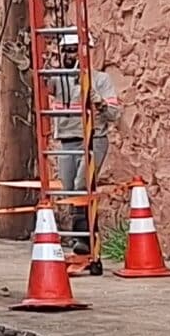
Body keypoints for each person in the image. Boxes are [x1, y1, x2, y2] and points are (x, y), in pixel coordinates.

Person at [46, 31, 120, 273]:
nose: (69, 55)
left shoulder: (100, 79)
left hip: (93, 139)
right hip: (67, 141)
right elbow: (41, 85)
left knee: (81, 185)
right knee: (69, 189)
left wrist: (99, 102)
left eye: (74, 50)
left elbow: (115, 114)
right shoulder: (59, 79)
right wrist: (28, 69)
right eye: (66, 51)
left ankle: (84, 240)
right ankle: (80, 236)